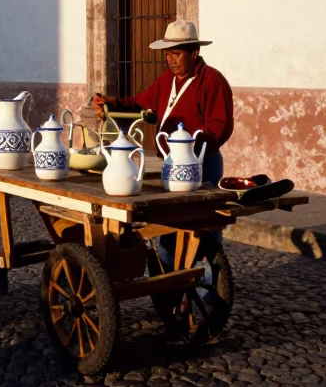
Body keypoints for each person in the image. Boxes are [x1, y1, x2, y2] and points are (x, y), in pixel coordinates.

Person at [93, 19, 233, 321]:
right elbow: (140, 103)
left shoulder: (213, 81)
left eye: (176, 53)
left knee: (205, 235)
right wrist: (111, 103)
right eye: (167, 54)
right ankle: (175, 300)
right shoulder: (165, 82)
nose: (170, 59)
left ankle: (211, 304)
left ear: (194, 52)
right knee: (169, 232)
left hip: (203, 165)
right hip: (171, 167)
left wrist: (192, 147)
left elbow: (220, 126)